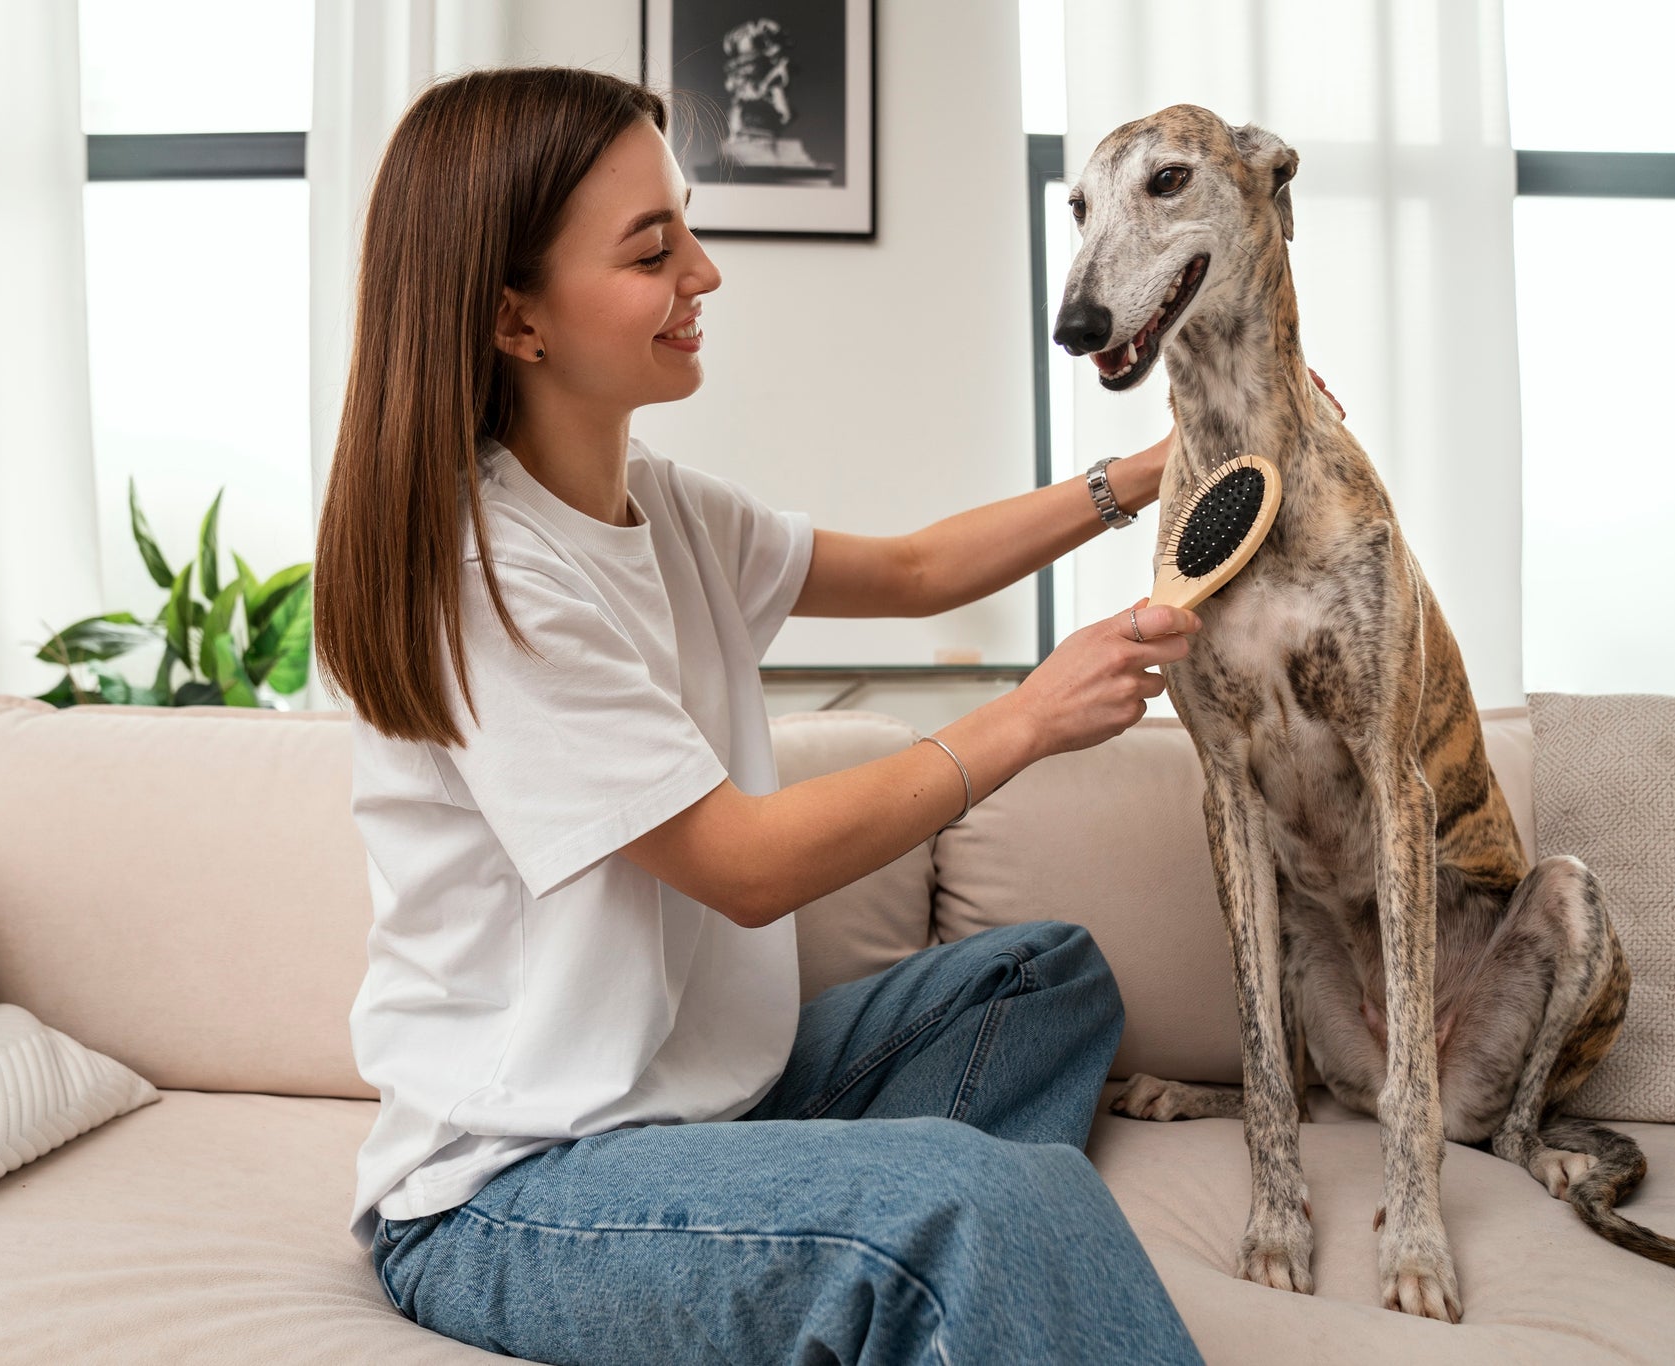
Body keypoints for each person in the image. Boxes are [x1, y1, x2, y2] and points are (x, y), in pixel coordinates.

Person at [312, 63, 1215, 1365]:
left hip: (706, 1110)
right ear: (519, 319)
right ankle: (897, 1251)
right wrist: (1025, 717)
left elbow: (913, 571)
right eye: (652, 249)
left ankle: (827, 1254)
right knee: (981, 1201)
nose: (705, 273)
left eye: (686, 225)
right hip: (513, 1190)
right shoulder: (487, 577)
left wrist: (1144, 474)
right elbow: (740, 865)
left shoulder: (663, 507)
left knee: (1042, 973)